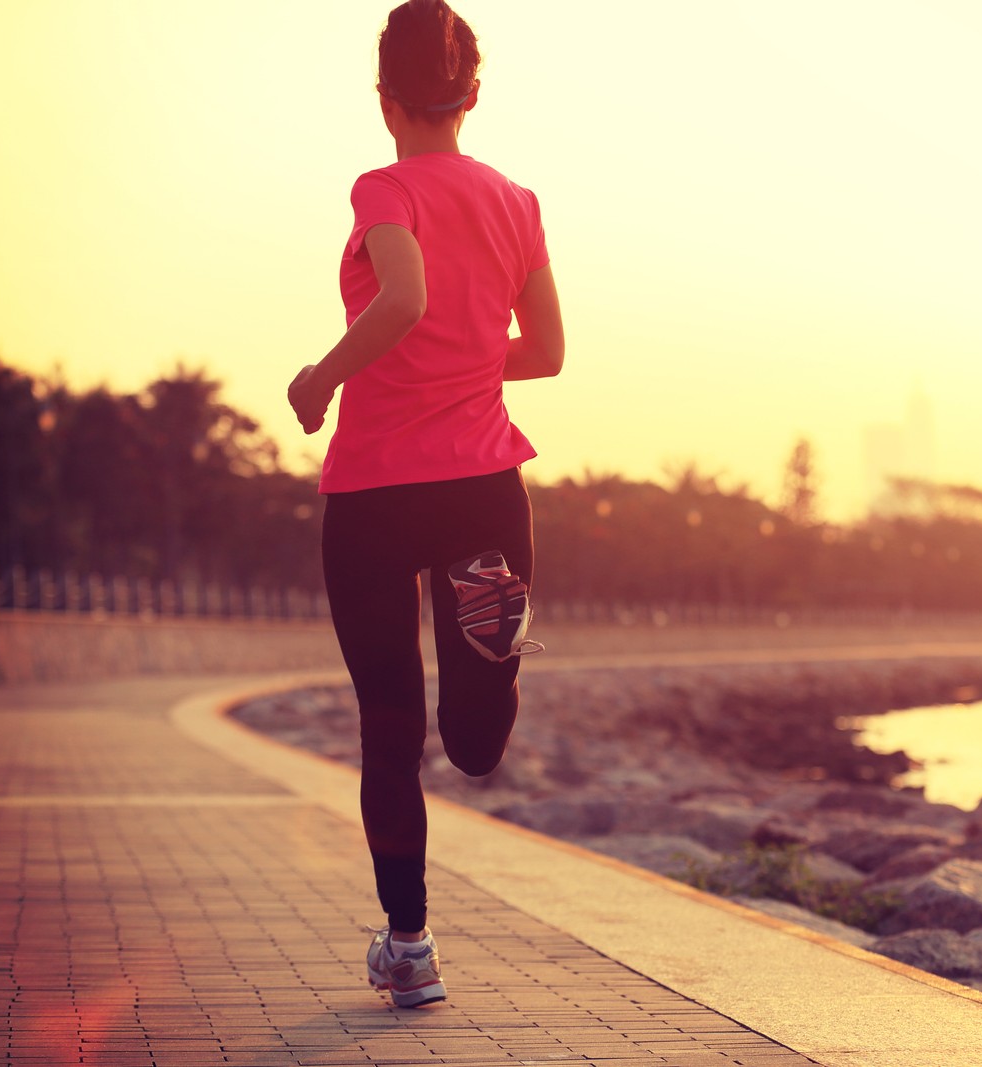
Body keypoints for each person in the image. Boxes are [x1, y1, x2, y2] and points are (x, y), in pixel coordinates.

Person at [286, 0, 563, 1009]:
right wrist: (468, 361)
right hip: (484, 493)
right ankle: (489, 684)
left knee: (388, 727)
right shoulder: (515, 200)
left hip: (372, 493)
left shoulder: (383, 185)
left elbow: (398, 299)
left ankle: (411, 944)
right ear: (473, 94)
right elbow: (548, 353)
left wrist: (321, 377)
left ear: (385, 98)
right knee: (474, 738)